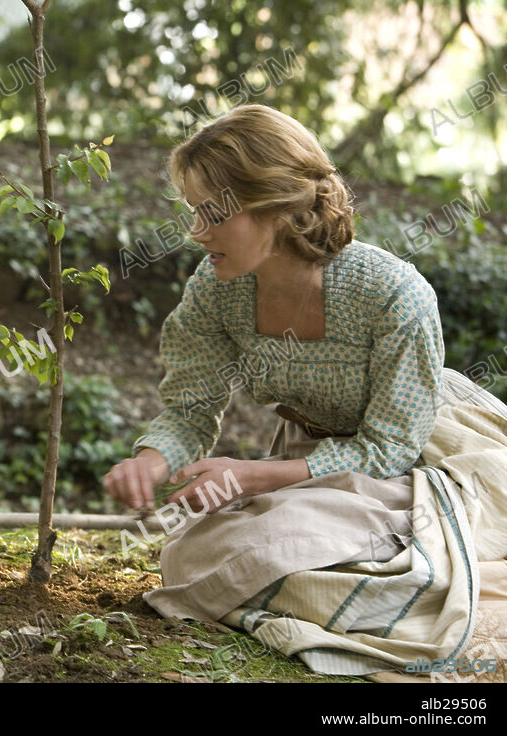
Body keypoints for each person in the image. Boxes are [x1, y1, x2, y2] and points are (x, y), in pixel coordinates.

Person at [102, 104, 507, 676]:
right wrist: (152, 457)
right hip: (307, 459)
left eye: (214, 213)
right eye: (193, 213)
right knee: (191, 554)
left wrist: (249, 477)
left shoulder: (393, 294)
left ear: (279, 207)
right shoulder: (216, 290)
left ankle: (408, 575)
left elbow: (387, 448)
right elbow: (192, 406)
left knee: (263, 555)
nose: (197, 233)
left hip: (415, 461)